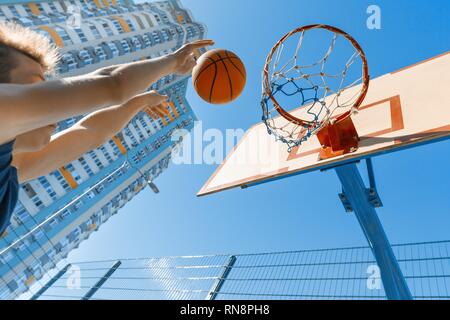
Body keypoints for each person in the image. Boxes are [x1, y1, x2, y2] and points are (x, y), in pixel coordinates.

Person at [0, 21, 213, 234]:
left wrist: (138, 102)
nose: (47, 92)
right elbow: (112, 84)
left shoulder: (11, 172)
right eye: (38, 84)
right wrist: (173, 62)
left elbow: (90, 133)